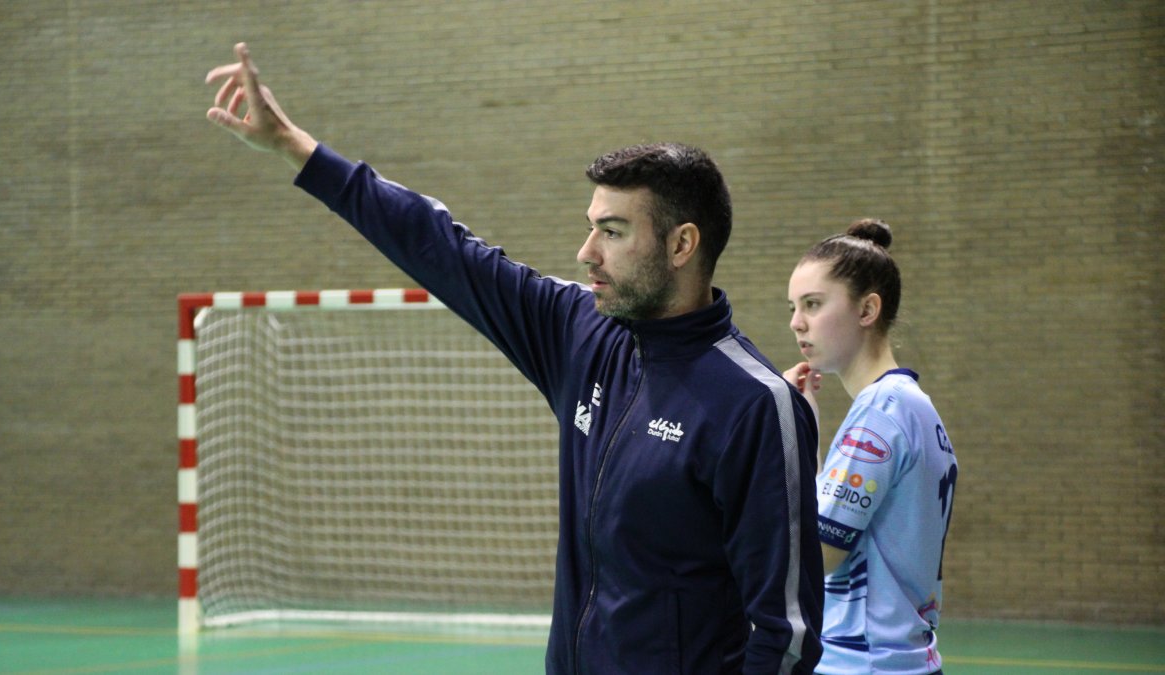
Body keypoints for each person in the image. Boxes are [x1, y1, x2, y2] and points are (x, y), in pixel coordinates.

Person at [205, 43, 824, 674]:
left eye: (612, 232)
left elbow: (787, 635)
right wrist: (296, 148)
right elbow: (442, 248)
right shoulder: (580, 333)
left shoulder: (754, 405)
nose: (587, 252)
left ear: (682, 244)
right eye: (591, 226)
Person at [782, 219, 958, 675]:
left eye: (813, 304)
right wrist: (804, 426)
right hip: (902, 659)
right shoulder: (911, 405)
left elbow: (819, 555)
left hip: (863, 662)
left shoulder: (879, 413)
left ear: (867, 309)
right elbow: (837, 522)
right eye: (794, 307)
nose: (796, 322)